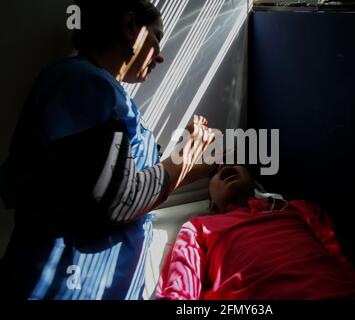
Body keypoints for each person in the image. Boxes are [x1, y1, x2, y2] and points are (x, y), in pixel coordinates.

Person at [0, 0, 215, 300]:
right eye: (157, 36)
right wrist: (185, 159)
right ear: (129, 27)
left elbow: (129, 181)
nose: (162, 56)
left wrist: (191, 163)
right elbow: (120, 199)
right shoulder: (81, 82)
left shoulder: (104, 95)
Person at [156, 165, 355, 300]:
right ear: (212, 204)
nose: (225, 168)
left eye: (233, 164)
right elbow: (181, 289)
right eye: (215, 173)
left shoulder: (299, 209)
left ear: (255, 183)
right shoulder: (199, 227)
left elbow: (347, 265)